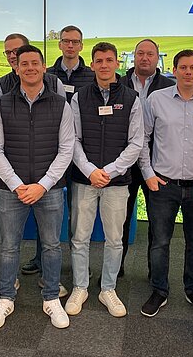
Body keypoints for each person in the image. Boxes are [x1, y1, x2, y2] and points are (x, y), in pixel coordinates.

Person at [0, 44, 74, 330]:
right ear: (17, 67)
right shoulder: (2, 105)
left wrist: (43, 185)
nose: (30, 68)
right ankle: (5, 298)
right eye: (24, 64)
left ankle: (51, 298)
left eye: (35, 63)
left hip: (48, 191)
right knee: (9, 247)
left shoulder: (61, 105)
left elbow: (66, 149)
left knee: (51, 246)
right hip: (12, 191)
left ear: (44, 66)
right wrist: (17, 185)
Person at [65, 42, 143, 318]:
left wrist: (108, 171)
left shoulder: (132, 98)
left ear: (116, 63)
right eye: (99, 61)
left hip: (117, 183)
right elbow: (72, 140)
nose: (104, 65)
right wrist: (89, 171)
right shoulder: (79, 98)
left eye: (109, 60)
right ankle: (80, 287)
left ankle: (108, 288)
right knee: (80, 238)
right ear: (93, 64)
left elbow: (136, 143)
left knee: (114, 239)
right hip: (84, 180)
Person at [138, 49, 193, 317]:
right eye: (182, 67)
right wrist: (148, 173)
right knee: (160, 242)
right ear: (174, 70)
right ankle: (159, 290)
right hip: (164, 185)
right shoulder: (156, 100)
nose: (187, 72)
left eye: (192, 67)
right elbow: (143, 139)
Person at [21, 25, 94, 276]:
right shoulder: (47, 74)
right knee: (47, 212)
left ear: (81, 45)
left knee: (77, 213)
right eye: (66, 41)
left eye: (75, 41)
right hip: (51, 155)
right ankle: (42, 259)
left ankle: (77, 263)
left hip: (81, 154)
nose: (70, 45)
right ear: (60, 44)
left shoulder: (91, 75)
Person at [119, 39, 174, 278]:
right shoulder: (118, 83)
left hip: (157, 164)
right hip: (124, 163)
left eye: (150, 54)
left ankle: (155, 273)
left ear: (157, 57)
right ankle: (115, 268)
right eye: (140, 53)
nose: (145, 58)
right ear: (134, 57)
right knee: (120, 219)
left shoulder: (168, 86)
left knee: (157, 223)